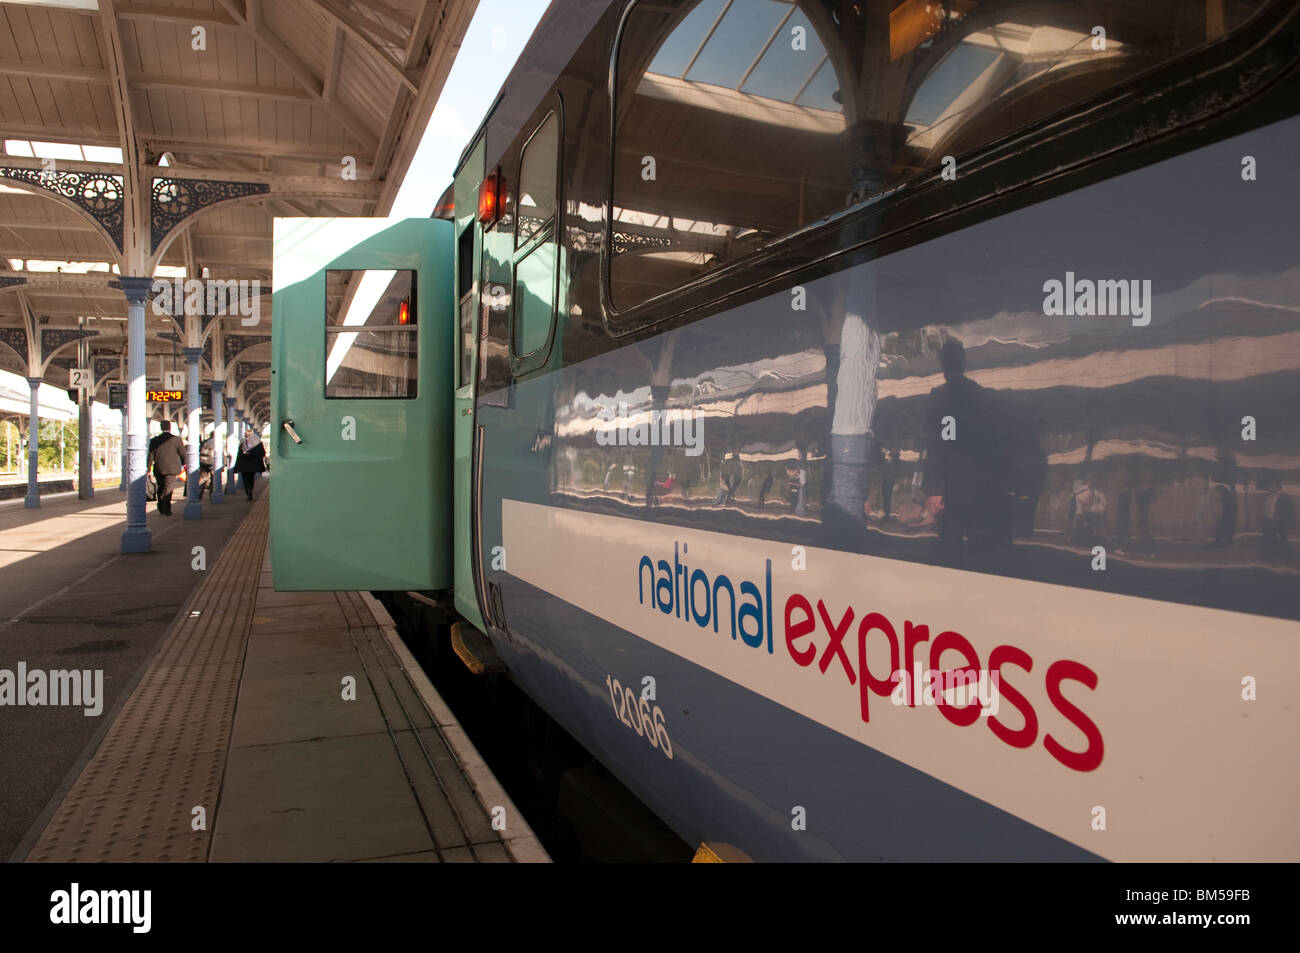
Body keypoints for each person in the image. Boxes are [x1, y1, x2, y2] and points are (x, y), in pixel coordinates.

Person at [147, 421, 185, 516]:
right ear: (170, 427)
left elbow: (150, 456)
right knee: (168, 488)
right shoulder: (176, 440)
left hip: (159, 468)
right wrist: (185, 464)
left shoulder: (154, 440)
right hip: (172, 468)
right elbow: (183, 453)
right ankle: (167, 508)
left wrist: (148, 469)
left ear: (161, 428)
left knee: (160, 487)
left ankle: (160, 506)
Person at [233, 430, 266, 500]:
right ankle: (250, 490)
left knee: (245, 479)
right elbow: (263, 453)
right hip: (253, 465)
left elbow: (239, 454)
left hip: (244, 464)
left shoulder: (242, 442)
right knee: (251, 478)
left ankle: (247, 491)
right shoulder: (258, 442)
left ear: (246, 434)